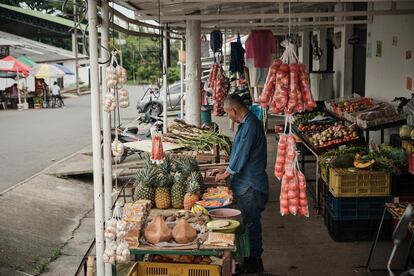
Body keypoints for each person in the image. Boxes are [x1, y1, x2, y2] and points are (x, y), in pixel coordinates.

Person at [215, 94, 269, 273]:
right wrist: (226, 169)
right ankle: (249, 260)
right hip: (247, 184)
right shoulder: (247, 124)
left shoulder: (251, 125)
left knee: (252, 223)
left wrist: (226, 174)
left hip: (251, 186)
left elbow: (241, 155)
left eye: (227, 113)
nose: (227, 116)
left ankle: (254, 263)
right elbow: (238, 152)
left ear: (234, 110)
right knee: (247, 223)